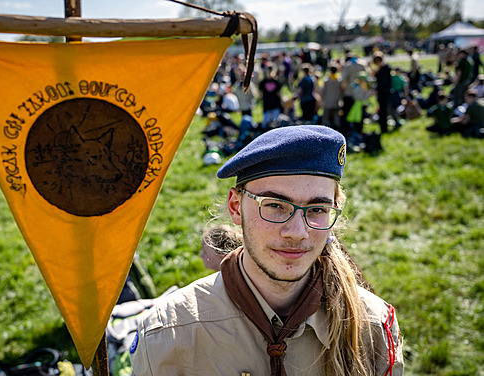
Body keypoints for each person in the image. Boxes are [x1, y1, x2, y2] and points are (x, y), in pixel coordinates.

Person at [131, 125, 403, 375]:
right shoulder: (167, 335)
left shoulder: (374, 327)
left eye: (318, 209)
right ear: (236, 207)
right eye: (275, 205)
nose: (297, 232)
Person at [373, 52, 393, 134]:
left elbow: (383, 82)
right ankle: (383, 128)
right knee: (382, 111)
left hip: (384, 93)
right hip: (382, 93)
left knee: (383, 112)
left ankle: (384, 129)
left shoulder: (385, 69)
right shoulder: (383, 69)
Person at [320, 65, 342, 132]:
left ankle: (324, 129)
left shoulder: (327, 81)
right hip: (336, 101)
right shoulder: (338, 80)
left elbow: (323, 91)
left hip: (328, 101)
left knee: (325, 116)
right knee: (336, 116)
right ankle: (338, 129)